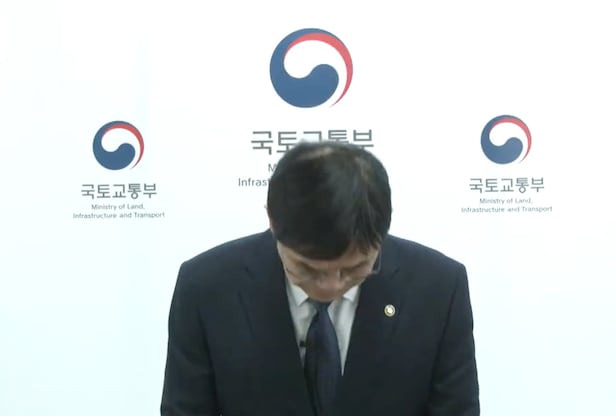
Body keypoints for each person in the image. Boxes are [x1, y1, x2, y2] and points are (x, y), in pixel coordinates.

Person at [161, 141, 480, 416]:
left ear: (382, 235)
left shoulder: (438, 287)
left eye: (354, 269)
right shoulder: (207, 286)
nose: (330, 287)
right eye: (308, 269)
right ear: (272, 221)